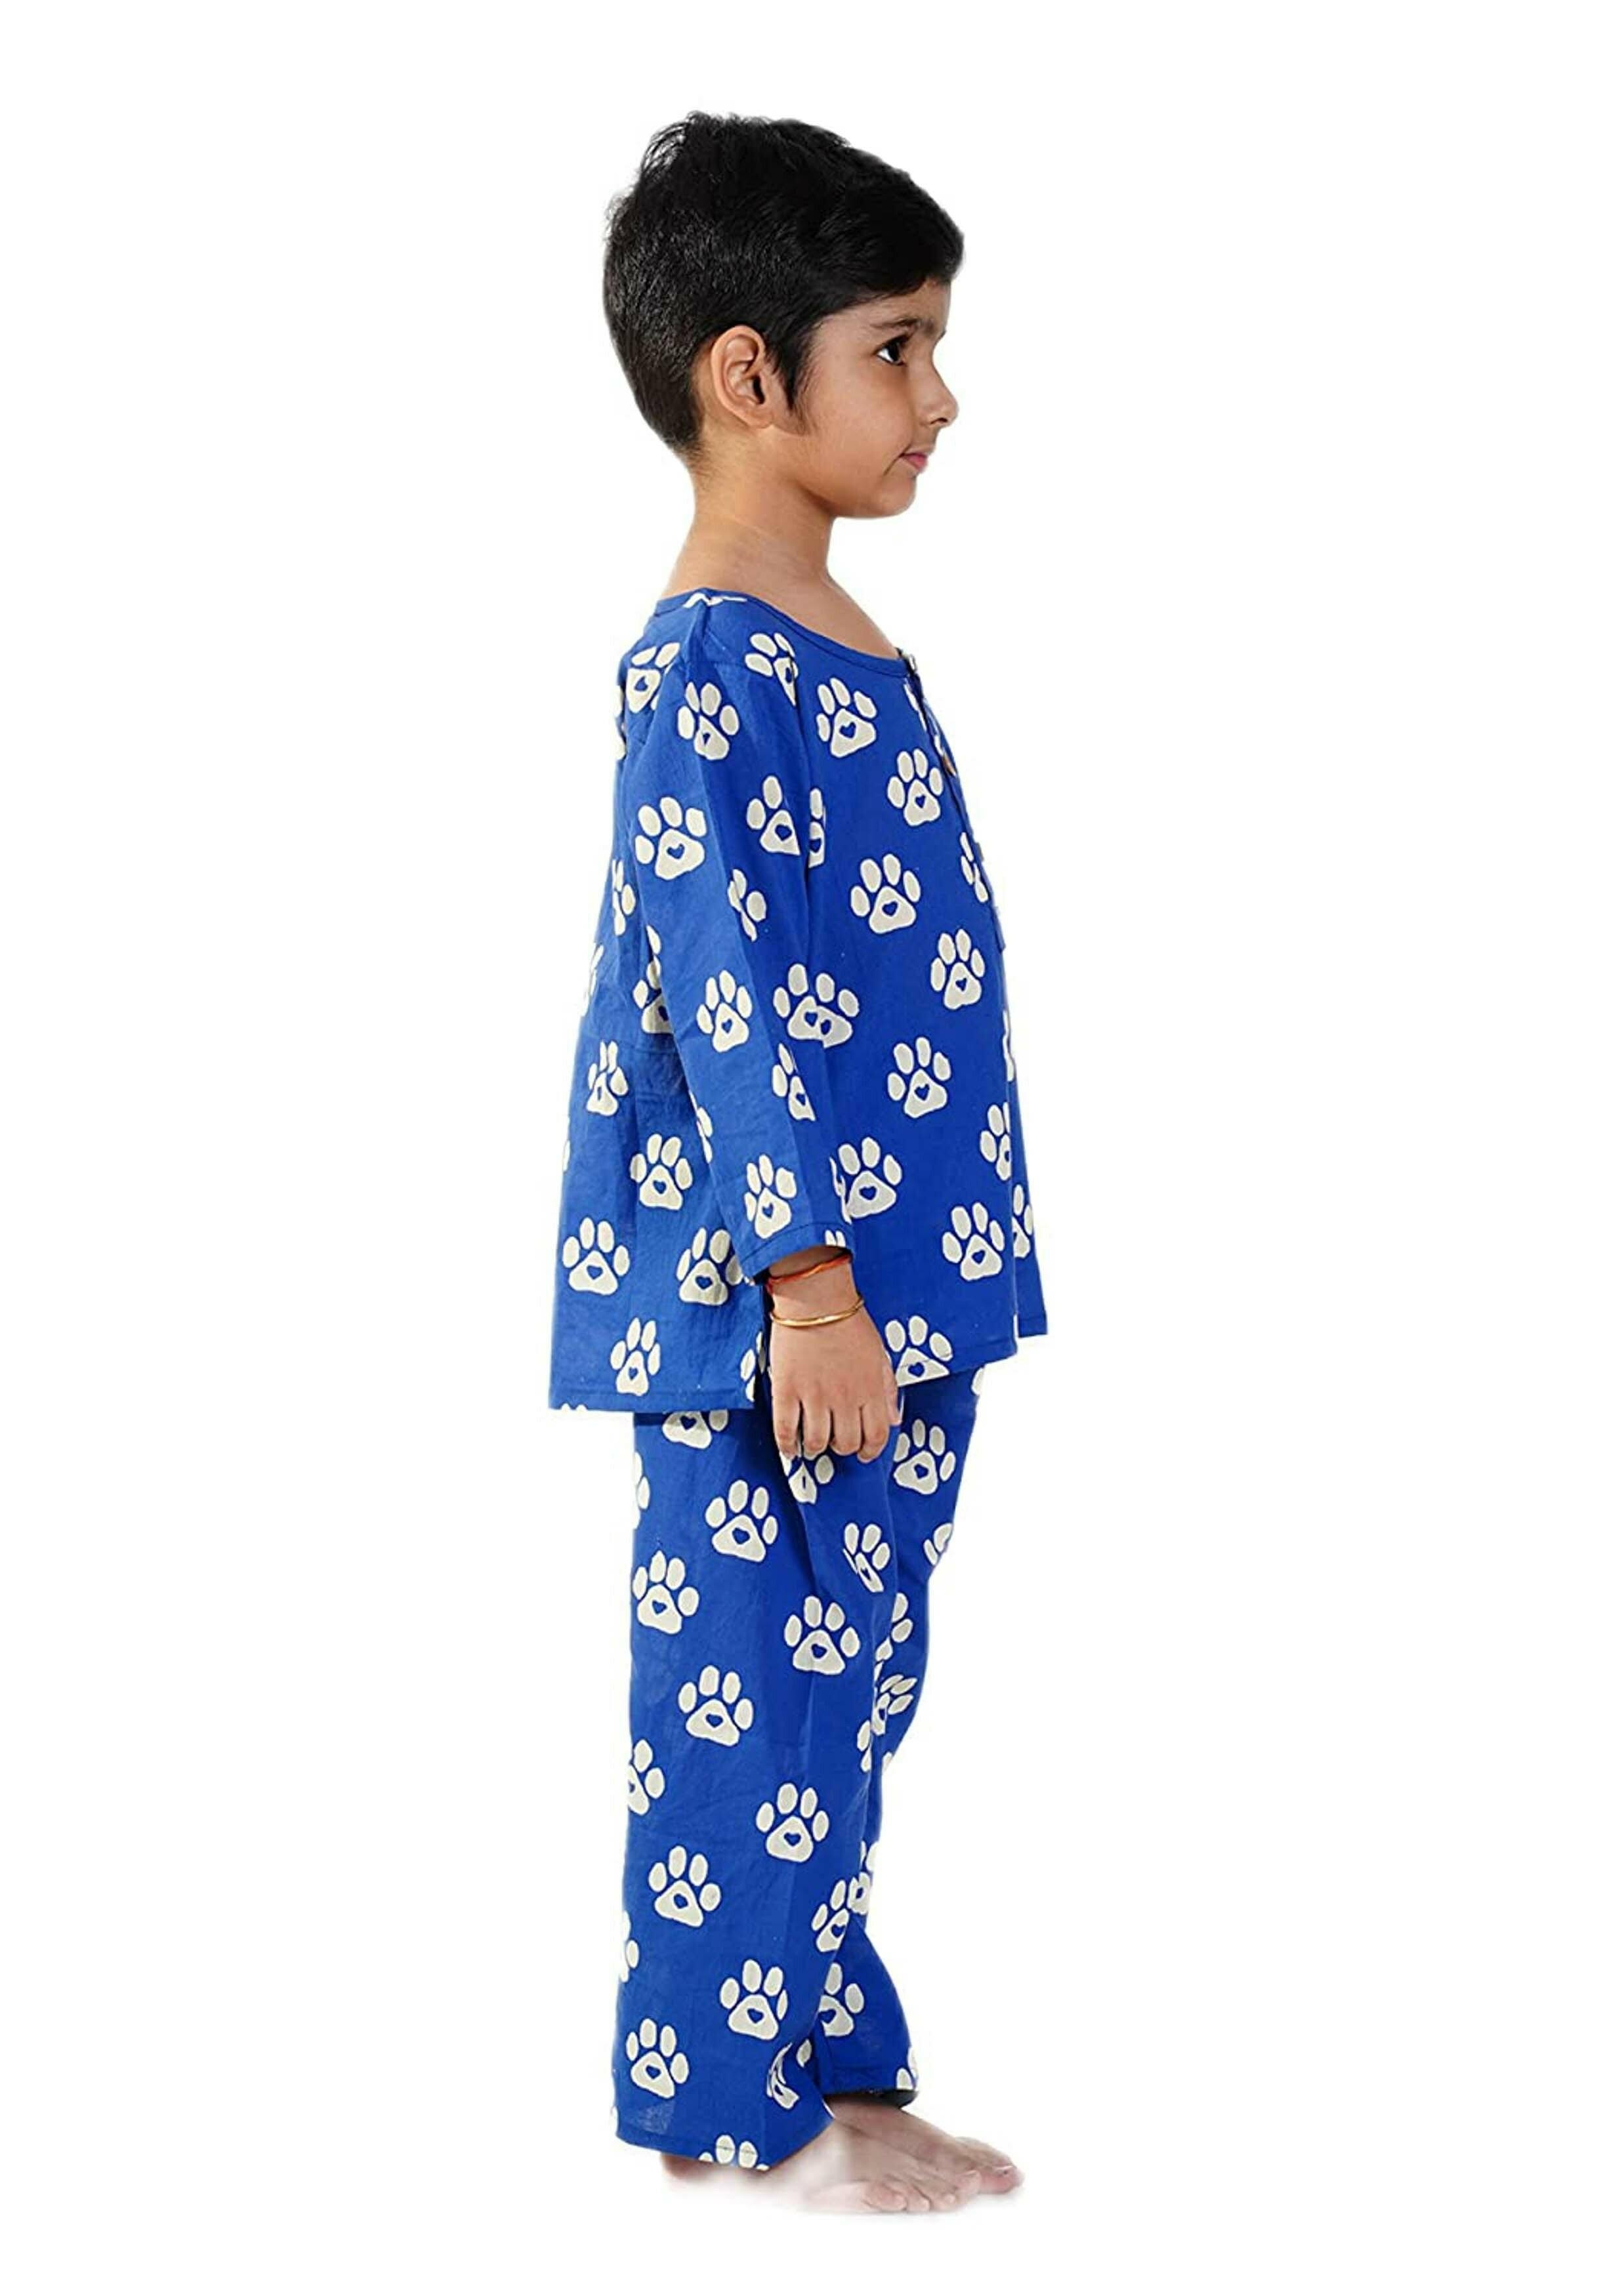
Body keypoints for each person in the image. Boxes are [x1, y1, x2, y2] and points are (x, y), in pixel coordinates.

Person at [547, 112, 1049, 2215]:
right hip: (774, 1310)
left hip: (894, 1294)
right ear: (746, 375)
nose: (939, 396)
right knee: (741, 1708)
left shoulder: (835, 635)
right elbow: (723, 994)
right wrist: (809, 1284)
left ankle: (823, 2066)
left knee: (846, 1699)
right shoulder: (706, 667)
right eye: (897, 348)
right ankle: (719, 2118)